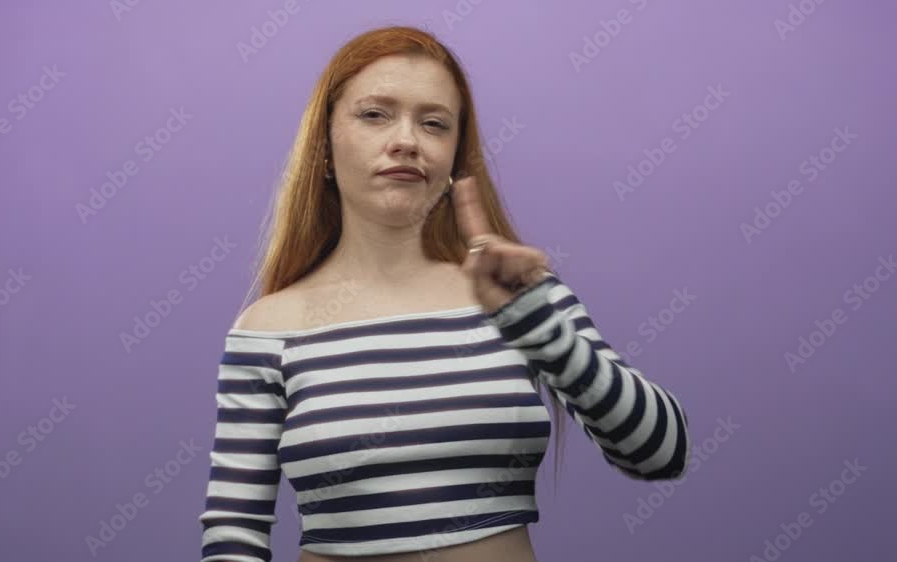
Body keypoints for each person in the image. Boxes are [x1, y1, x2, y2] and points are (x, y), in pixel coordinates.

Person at [200, 25, 690, 562]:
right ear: (324, 148)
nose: (406, 140)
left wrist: (539, 329)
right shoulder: (268, 329)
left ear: (455, 157)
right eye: (375, 114)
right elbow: (233, 535)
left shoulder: (517, 294)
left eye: (434, 123)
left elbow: (662, 453)